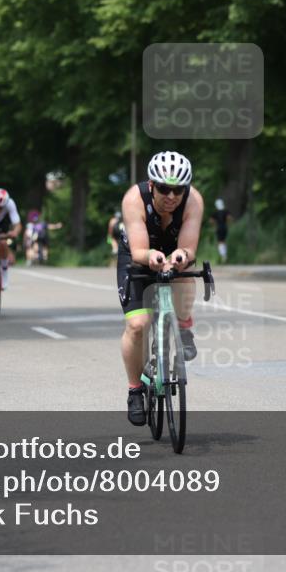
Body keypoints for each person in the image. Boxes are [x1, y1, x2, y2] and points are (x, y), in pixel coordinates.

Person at [117, 151, 204, 426]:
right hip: (138, 255)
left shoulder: (194, 201)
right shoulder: (134, 199)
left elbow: (189, 248)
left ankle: (184, 326)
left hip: (172, 252)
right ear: (152, 185)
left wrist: (181, 256)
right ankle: (134, 390)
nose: (171, 196)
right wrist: (152, 257)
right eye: (164, 189)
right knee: (138, 325)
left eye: (178, 190)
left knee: (185, 272)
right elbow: (140, 249)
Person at [209, 198, 231, 263]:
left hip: (219, 228)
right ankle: (225, 255)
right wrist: (227, 223)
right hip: (225, 227)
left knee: (220, 242)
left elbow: (211, 221)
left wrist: (215, 224)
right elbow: (229, 218)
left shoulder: (215, 213)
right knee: (224, 241)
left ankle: (223, 256)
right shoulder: (226, 211)